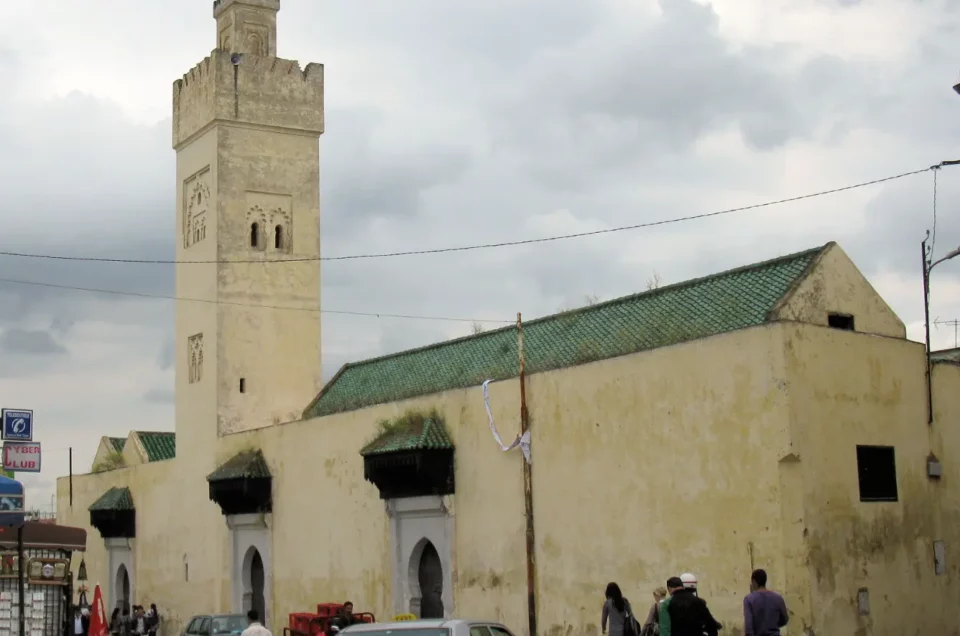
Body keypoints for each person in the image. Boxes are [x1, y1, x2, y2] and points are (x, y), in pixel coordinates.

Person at [743, 569, 788, 636]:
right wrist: (772, 625)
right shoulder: (778, 598)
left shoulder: (749, 599)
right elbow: (785, 619)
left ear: (754, 582)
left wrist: (752, 594)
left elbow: (749, 628)